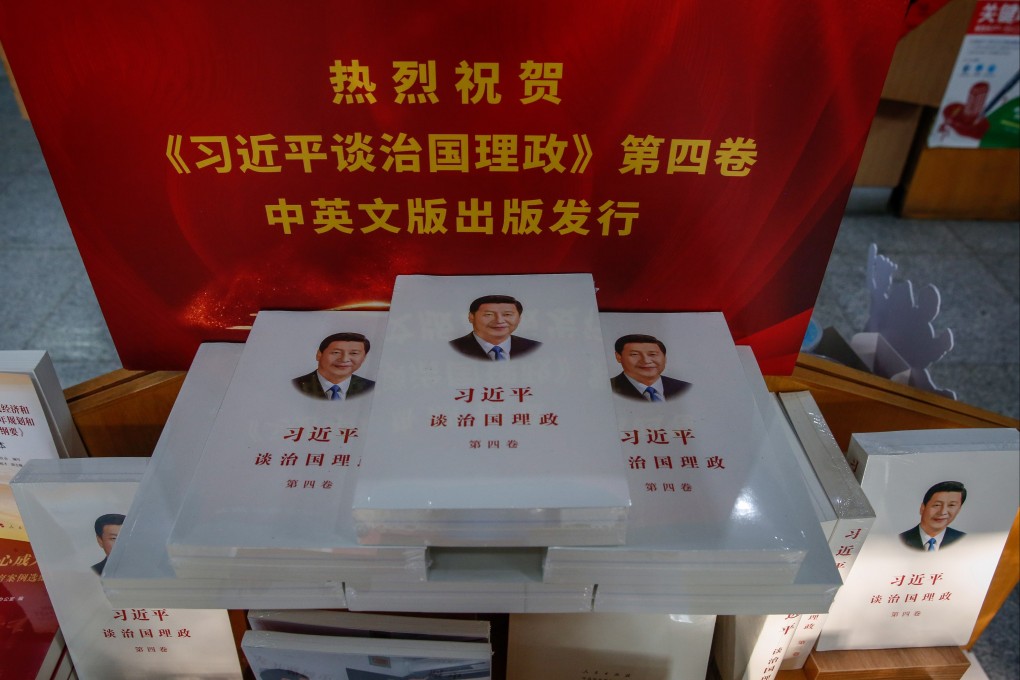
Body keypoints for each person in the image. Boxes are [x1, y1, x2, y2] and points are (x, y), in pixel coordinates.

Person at [449, 295, 541, 361]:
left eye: (507, 314)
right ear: (471, 317)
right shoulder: (453, 348)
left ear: (519, 318)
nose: (499, 321)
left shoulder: (534, 347)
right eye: (489, 314)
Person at [610, 334, 691, 402]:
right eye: (635, 354)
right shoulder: (609, 389)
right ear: (618, 357)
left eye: (652, 354)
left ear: (665, 358)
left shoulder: (685, 388)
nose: (646, 361)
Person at [293, 333, 374, 400]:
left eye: (354, 353)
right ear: (319, 355)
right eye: (336, 352)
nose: (344, 359)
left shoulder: (371, 388)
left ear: (364, 358)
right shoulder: (295, 386)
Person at [899, 480, 967, 551]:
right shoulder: (899, 541)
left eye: (951, 505)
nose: (943, 512)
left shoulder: (965, 542)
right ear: (922, 508)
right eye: (937, 505)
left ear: (959, 509)